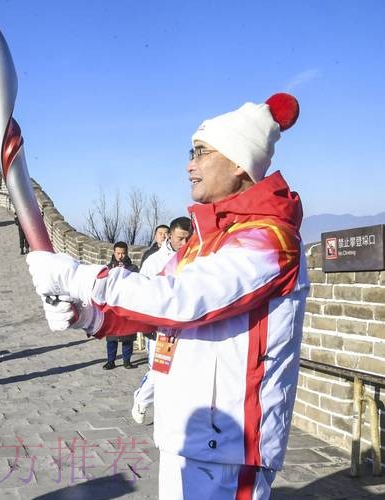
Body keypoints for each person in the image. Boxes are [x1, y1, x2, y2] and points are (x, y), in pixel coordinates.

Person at [26, 93, 305, 499]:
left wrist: (78, 276)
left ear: (240, 163)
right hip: (184, 435)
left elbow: (182, 299)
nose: (189, 164)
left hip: (230, 445)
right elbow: (153, 307)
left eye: (202, 152)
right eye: (190, 152)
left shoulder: (270, 240)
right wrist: (88, 316)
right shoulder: (199, 244)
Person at [131, 216, 191, 423]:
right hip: (160, 327)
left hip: (185, 324)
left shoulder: (196, 257)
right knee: (160, 370)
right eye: (180, 238)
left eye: (188, 239)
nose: (184, 244)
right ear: (170, 235)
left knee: (181, 371)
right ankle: (142, 399)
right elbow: (140, 292)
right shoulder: (154, 261)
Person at [103, 241, 138, 370]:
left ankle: (127, 361)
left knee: (128, 336)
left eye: (123, 253)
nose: (121, 256)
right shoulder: (108, 268)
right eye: (118, 253)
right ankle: (110, 361)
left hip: (127, 304)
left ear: (127, 253)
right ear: (114, 253)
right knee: (111, 337)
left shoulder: (133, 268)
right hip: (112, 305)